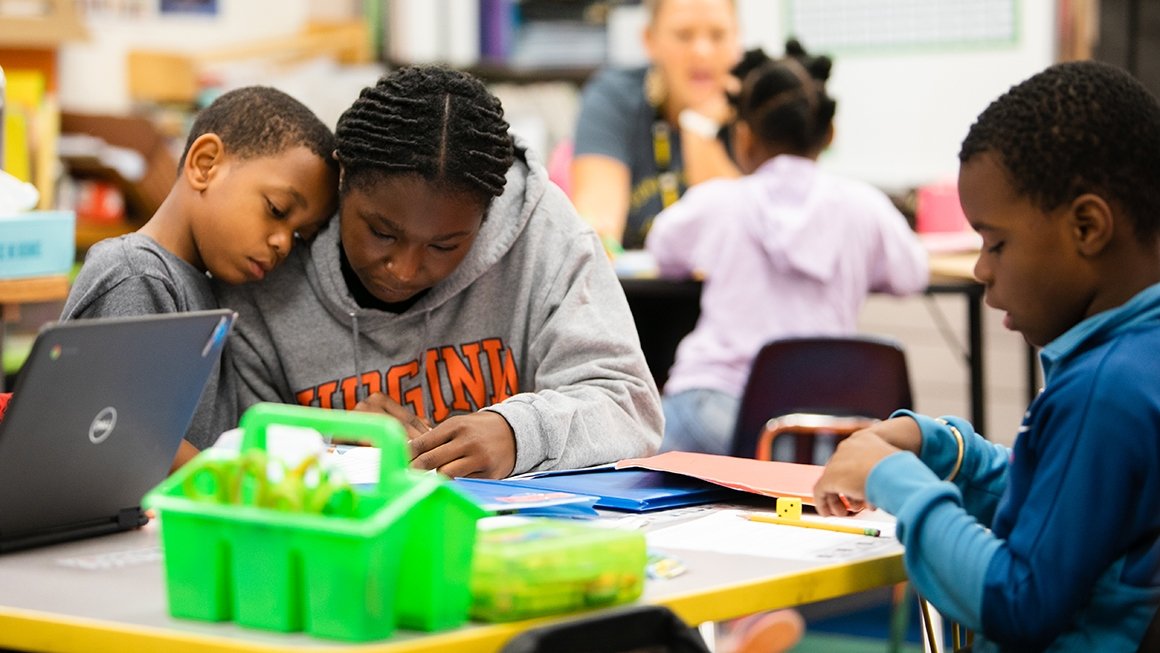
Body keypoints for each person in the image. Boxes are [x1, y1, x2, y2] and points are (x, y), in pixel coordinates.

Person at [813, 60, 1160, 652]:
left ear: (1087, 226)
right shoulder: (1138, 361)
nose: (980, 269)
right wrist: (946, 453)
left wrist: (889, 479)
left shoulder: (1103, 389)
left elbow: (1016, 601)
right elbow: (1070, 514)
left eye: (996, 243)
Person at [217, 65, 663, 480]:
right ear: (342, 180)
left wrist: (515, 433)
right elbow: (228, 451)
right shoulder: (270, 254)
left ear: (487, 218)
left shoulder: (543, 230)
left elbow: (631, 408)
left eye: (445, 245)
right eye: (381, 233)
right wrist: (325, 442)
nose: (405, 270)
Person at [646, 45, 929, 457]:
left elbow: (663, 249)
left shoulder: (721, 202)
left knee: (644, 436)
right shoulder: (863, 207)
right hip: (819, 425)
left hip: (713, 411)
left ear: (742, 136)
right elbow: (912, 273)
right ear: (829, 133)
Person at [61, 86, 339, 469]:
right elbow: (125, 431)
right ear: (205, 164)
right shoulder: (135, 274)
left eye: (298, 235)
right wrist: (233, 486)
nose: (283, 245)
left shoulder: (208, 287)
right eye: (277, 210)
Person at [571, 0, 741, 251]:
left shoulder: (759, 106)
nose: (702, 51)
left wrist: (699, 129)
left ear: (737, 39)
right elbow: (595, 230)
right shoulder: (612, 98)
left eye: (718, 35)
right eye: (683, 35)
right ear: (649, 39)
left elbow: (735, 241)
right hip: (632, 289)